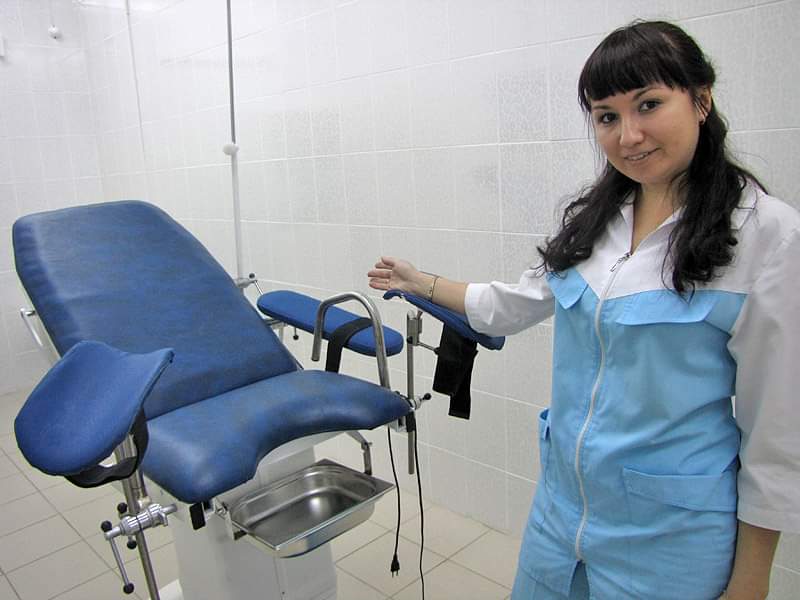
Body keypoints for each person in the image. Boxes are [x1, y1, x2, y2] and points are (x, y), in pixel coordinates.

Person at [367, 20, 799, 600]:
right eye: (607, 116)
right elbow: (513, 305)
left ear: (701, 100)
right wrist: (422, 282)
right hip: (559, 516)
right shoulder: (597, 221)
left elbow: (777, 430)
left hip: (671, 537)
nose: (629, 135)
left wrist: (751, 582)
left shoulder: (767, 236)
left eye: (649, 104)